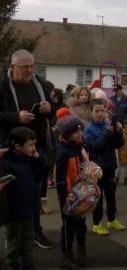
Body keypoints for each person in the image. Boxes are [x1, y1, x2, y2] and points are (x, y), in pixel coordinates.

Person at [0, 49, 54, 249]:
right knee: (13, 195)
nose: (30, 70)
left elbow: (56, 109)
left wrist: (50, 109)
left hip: (37, 147)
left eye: (32, 66)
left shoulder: (40, 84)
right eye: (25, 67)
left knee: (34, 193)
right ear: (13, 67)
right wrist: (16, 117)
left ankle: (35, 232)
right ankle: (14, 237)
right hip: (11, 149)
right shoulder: (3, 86)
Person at [83, 98, 125, 236]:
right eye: (97, 111)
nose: (100, 114)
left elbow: (119, 144)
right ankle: (96, 224)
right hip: (97, 169)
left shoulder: (108, 124)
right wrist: (107, 133)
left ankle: (112, 220)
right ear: (91, 111)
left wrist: (118, 132)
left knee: (111, 194)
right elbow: (95, 148)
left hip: (110, 165)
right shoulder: (88, 129)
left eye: (103, 110)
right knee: (98, 197)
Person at [2, 127, 42, 270]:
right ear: (18, 147)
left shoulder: (30, 160)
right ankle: (13, 263)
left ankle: (27, 262)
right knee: (14, 241)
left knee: (28, 239)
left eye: (34, 144)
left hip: (29, 208)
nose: (34, 148)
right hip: (14, 212)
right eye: (30, 145)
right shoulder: (7, 164)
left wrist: (37, 161)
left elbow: (38, 177)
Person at [55, 116, 87, 269]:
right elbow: (60, 177)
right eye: (76, 131)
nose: (80, 133)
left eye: (81, 129)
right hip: (68, 196)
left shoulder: (79, 147)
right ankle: (67, 256)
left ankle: (81, 248)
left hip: (81, 193)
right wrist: (65, 196)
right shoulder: (62, 152)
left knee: (81, 223)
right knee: (69, 226)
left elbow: (82, 167)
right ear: (68, 133)